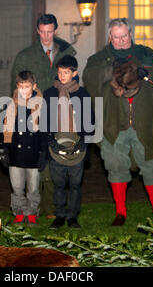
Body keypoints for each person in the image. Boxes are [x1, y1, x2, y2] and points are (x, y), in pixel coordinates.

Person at [83, 18, 153, 227]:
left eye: (125, 35)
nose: (122, 40)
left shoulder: (145, 53)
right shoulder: (100, 58)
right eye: (117, 37)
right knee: (116, 164)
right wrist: (110, 72)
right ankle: (120, 212)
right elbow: (89, 77)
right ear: (110, 37)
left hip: (142, 123)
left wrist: (146, 71)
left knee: (151, 163)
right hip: (114, 123)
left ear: (130, 34)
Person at [10, 14, 76, 219]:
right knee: (37, 160)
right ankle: (32, 207)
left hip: (60, 111)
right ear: (37, 31)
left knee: (59, 158)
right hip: (34, 114)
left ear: (55, 30)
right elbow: (16, 86)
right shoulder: (25, 56)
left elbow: (73, 79)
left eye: (50, 31)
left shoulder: (66, 52)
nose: (46, 36)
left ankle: (53, 206)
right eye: (42, 31)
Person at [43, 55, 94, 229]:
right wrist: (50, 139)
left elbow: (89, 119)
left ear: (75, 73)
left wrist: (84, 141)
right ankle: (59, 215)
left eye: (66, 72)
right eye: (60, 72)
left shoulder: (82, 93)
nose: (63, 75)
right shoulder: (50, 93)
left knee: (74, 184)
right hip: (57, 146)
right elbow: (44, 119)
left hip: (76, 146)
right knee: (58, 184)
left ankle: (72, 216)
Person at [0, 71, 46, 225]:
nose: (24, 91)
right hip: (16, 153)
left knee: (33, 186)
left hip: (33, 152)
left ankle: (31, 211)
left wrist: (43, 152)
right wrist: (4, 149)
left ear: (34, 86)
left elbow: (45, 131)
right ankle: (19, 211)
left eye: (27, 87)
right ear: (17, 87)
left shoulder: (41, 106)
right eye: (21, 87)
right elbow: (5, 127)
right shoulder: (11, 105)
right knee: (17, 186)